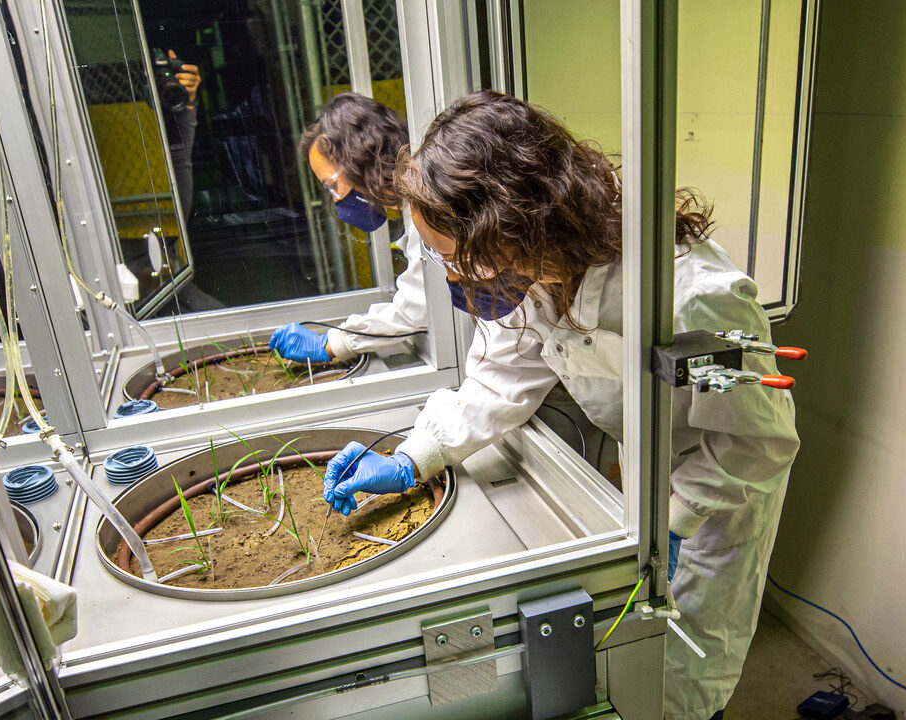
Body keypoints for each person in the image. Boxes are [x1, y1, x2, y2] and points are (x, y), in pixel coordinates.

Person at [317, 90, 798, 720]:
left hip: (721, 495)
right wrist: (414, 456)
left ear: (515, 223)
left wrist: (674, 520)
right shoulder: (536, 275)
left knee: (684, 674)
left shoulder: (692, 295)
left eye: (458, 257)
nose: (454, 277)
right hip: (650, 467)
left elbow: (757, 443)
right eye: (439, 257)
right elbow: (499, 378)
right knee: (632, 659)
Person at [268, 93, 429, 362]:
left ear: (359, 160)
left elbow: (417, 309)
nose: (336, 199)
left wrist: (331, 344)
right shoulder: (413, 199)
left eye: (332, 185)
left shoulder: (425, 204)